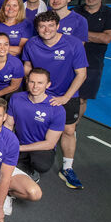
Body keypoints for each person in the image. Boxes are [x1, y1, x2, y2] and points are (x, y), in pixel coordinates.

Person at [22, 11, 88, 189]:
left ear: (58, 26)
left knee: (69, 130)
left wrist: (65, 97)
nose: (46, 30)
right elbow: (27, 66)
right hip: (40, 92)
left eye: (51, 25)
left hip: (65, 94)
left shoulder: (73, 44)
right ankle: (32, 158)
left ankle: (67, 168)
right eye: (42, 26)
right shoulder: (32, 44)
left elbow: (81, 74)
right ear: (37, 28)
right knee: (36, 124)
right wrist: (33, 86)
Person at [5, 68, 65, 182]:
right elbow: (8, 124)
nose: (35, 86)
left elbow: (50, 143)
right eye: (32, 82)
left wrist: (19, 149)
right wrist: (4, 143)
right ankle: (20, 164)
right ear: (27, 81)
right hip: (19, 142)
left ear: (48, 85)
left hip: (41, 148)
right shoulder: (16, 98)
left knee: (41, 164)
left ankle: (30, 169)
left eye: (40, 83)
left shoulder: (57, 109)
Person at [73, 0, 111, 120]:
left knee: (82, 99)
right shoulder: (74, 11)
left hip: (92, 64)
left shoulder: (110, 14)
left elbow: (106, 38)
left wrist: (79, 33)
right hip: (70, 61)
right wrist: (94, 36)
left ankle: (73, 127)